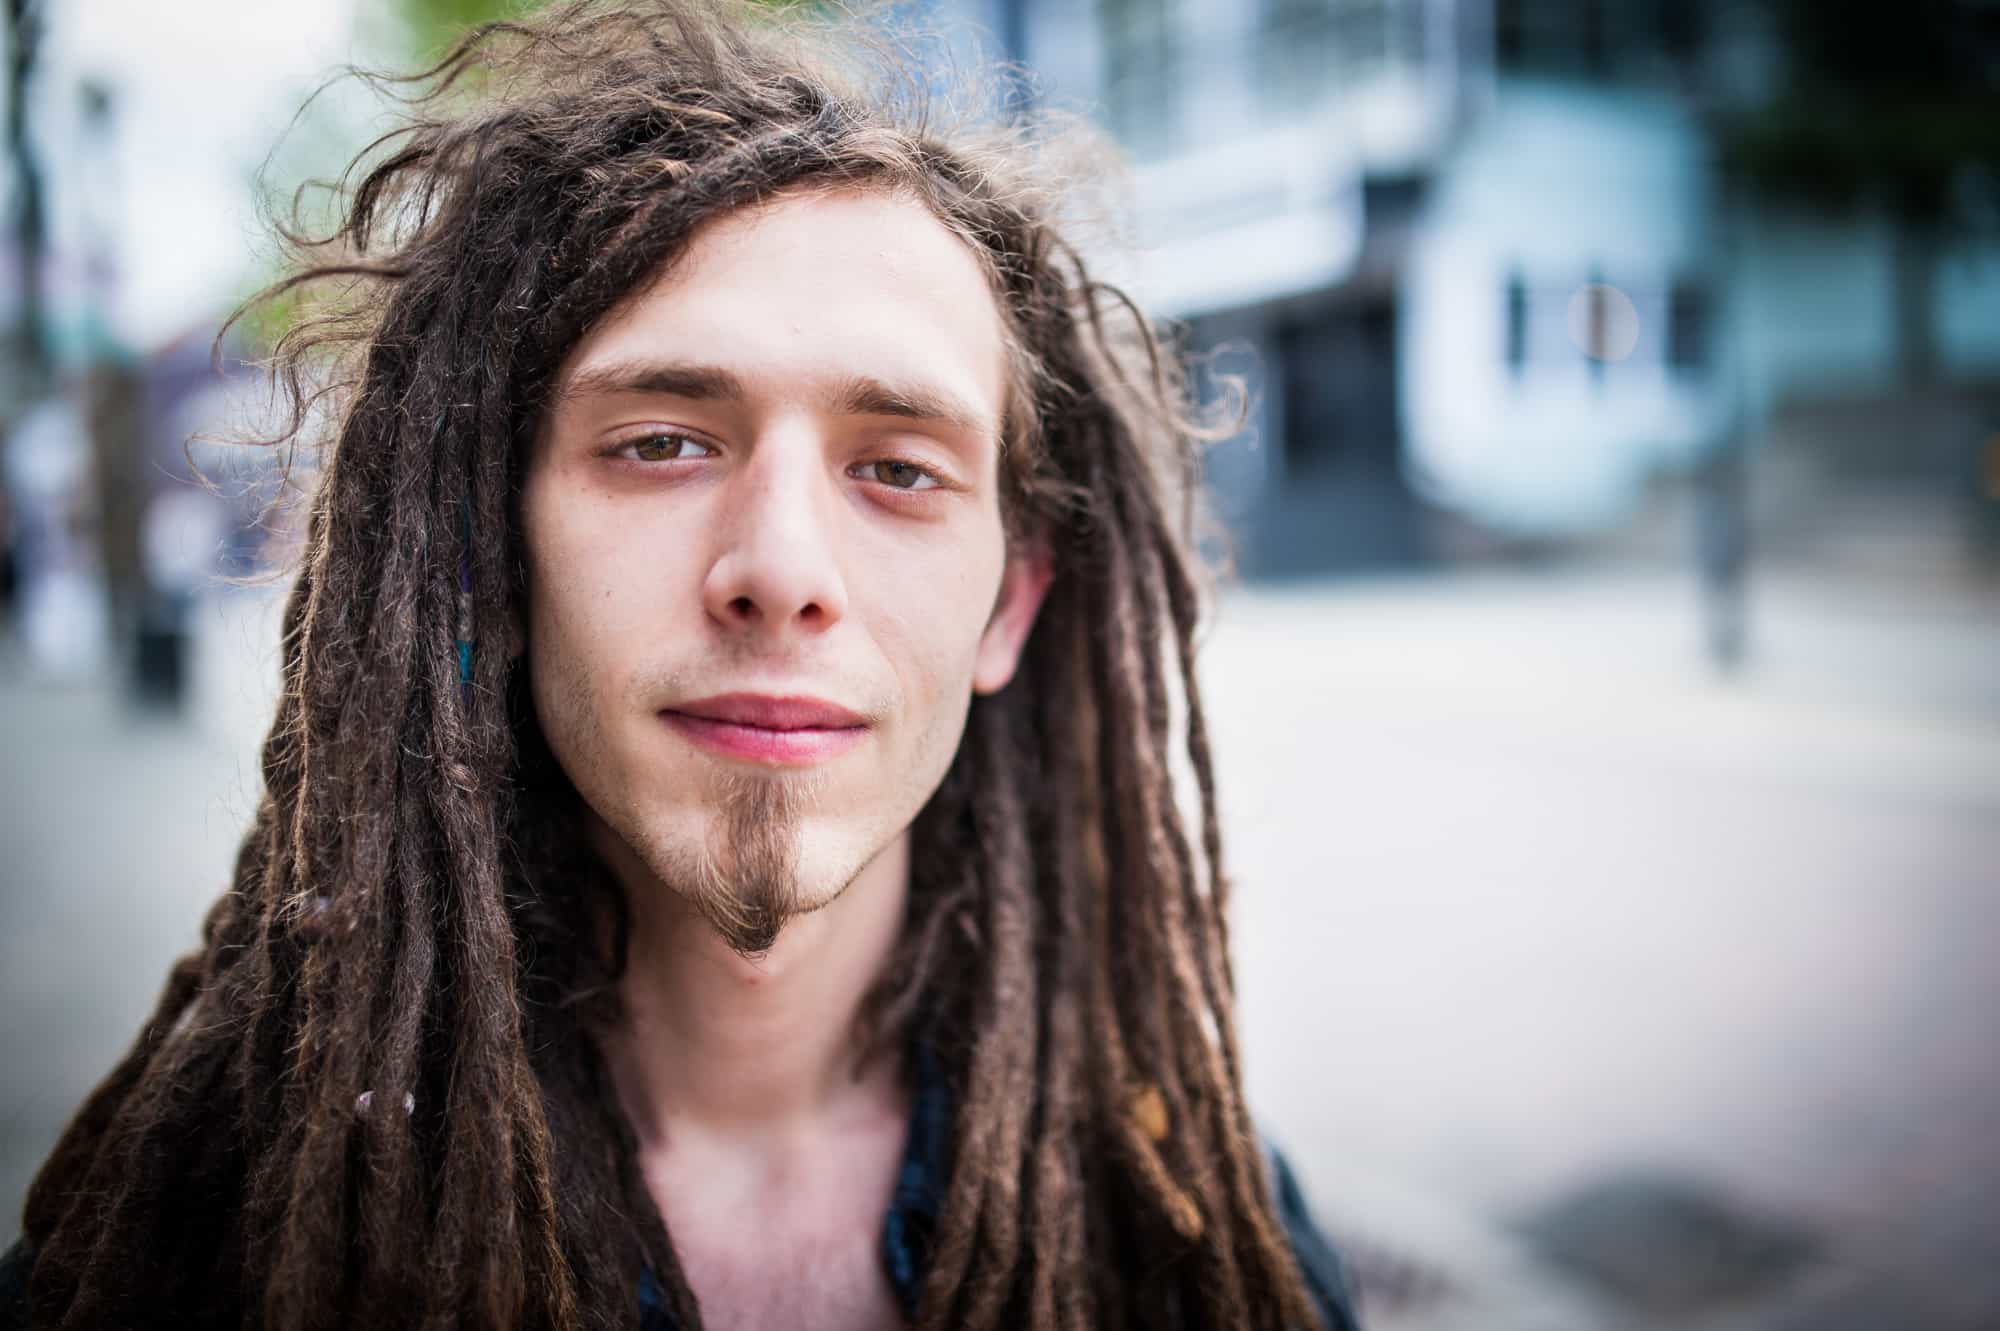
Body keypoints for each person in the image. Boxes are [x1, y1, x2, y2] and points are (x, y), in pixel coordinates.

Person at [0, 2, 1360, 1327]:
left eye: (897, 468)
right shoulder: (208, 1244)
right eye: (662, 441)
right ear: (498, 551)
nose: (781, 569)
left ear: (1010, 607)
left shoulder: (1204, 1237)